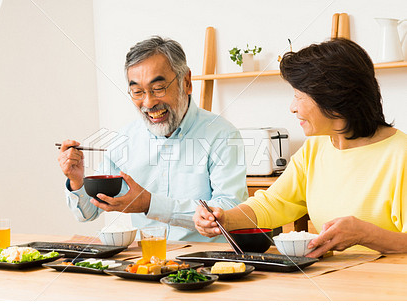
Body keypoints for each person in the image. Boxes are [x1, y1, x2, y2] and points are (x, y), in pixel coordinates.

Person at [193, 38, 407, 256]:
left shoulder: (401, 154)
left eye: (298, 96)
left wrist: (365, 234)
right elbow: (275, 202)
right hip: (334, 281)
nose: (292, 107)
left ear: (333, 98)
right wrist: (225, 218)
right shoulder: (316, 147)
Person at [58, 36, 248, 242]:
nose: (148, 102)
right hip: (146, 263)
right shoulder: (125, 139)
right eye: (137, 91)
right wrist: (77, 180)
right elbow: (87, 213)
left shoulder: (222, 134)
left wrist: (150, 204)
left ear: (186, 82)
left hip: (207, 262)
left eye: (158, 89)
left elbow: (228, 211)